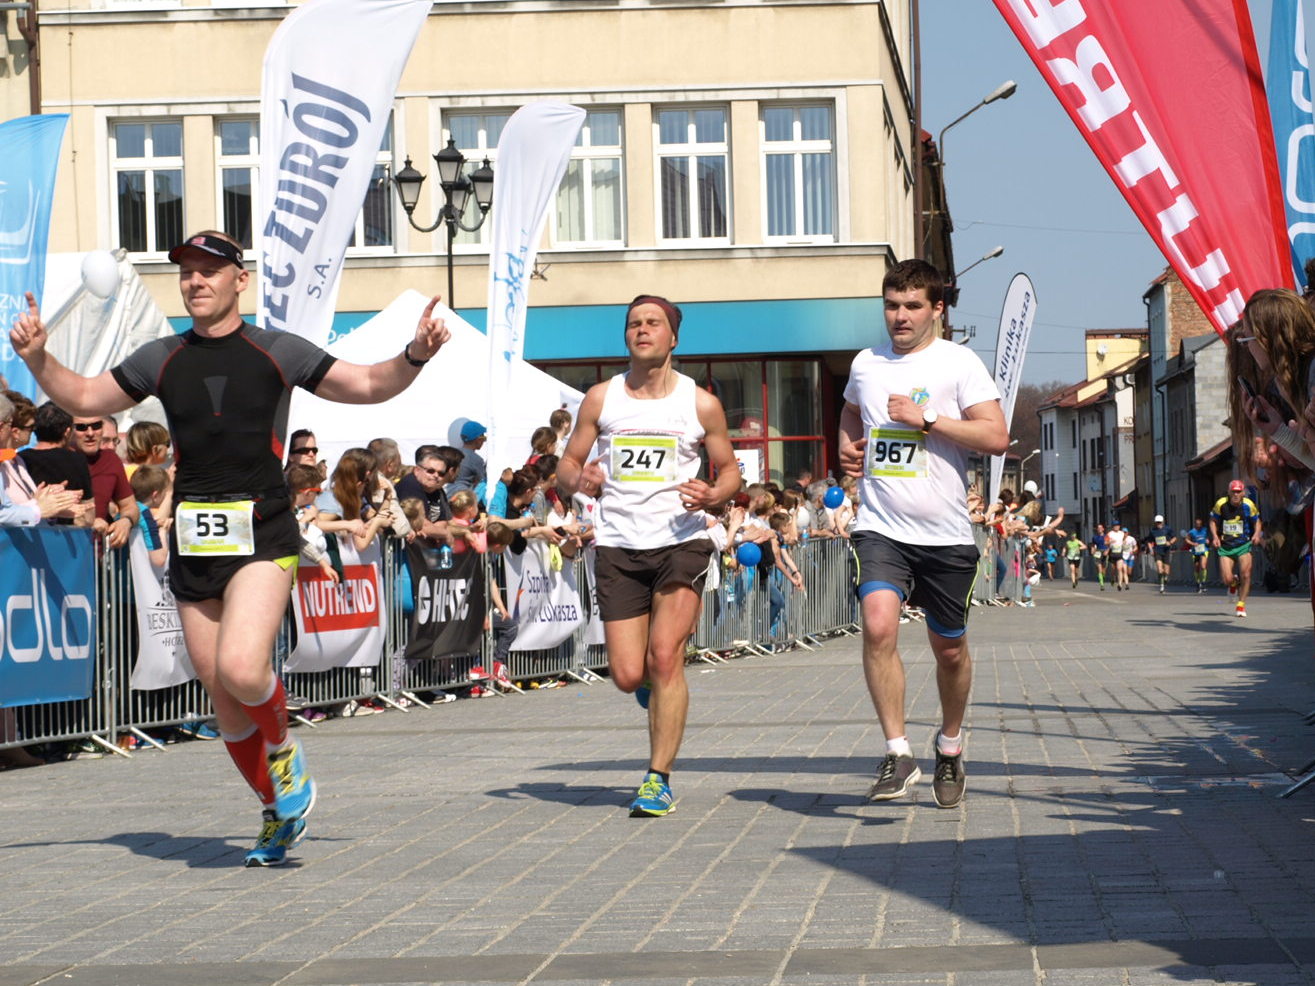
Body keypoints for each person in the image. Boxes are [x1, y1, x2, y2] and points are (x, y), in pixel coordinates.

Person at [8, 228, 451, 866]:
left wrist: (415, 354)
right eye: (186, 271)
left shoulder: (276, 350)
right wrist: (37, 357)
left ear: (239, 280)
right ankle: (276, 810)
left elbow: (366, 384)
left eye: (209, 270)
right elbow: (82, 396)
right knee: (221, 692)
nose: (195, 281)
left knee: (244, 668)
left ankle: (286, 755)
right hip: (195, 539)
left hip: (263, 530)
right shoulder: (163, 356)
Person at [558, 294, 741, 817]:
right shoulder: (602, 398)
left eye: (653, 323)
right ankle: (652, 690)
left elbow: (730, 471)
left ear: (672, 337)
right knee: (626, 674)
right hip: (619, 544)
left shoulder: (699, 403)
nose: (642, 330)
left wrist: (714, 493)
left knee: (665, 656)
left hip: (681, 540)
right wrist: (580, 478)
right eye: (634, 323)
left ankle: (657, 779)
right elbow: (567, 466)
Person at [837, 259, 1008, 809]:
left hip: (945, 534)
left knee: (949, 651)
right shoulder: (866, 364)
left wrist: (928, 421)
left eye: (913, 306)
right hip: (880, 527)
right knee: (877, 625)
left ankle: (950, 745)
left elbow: (996, 436)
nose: (900, 316)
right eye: (892, 305)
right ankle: (897, 751)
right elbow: (851, 412)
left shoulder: (959, 362)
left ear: (937, 309)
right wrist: (845, 445)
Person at [71, 414, 138, 549]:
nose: (90, 433)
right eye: (81, 427)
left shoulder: (111, 460)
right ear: (69, 431)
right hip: (61, 552)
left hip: (98, 555)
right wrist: (88, 522)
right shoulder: (56, 459)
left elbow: (130, 506)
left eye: (96, 426)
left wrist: (126, 521)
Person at [1210, 479, 1262, 617]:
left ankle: (1241, 605)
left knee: (1246, 574)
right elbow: (1213, 521)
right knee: (1227, 579)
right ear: (1228, 492)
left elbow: (1257, 521)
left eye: (1238, 492)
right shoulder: (1221, 504)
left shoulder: (1248, 505)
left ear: (1243, 493)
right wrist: (1215, 537)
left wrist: (1256, 534)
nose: (1236, 495)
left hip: (1243, 544)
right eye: (1233, 492)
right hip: (1226, 546)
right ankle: (1233, 584)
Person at [448, 420, 488, 499]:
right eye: (483, 437)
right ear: (477, 440)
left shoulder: (453, 453)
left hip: (448, 493)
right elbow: (483, 482)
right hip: (463, 496)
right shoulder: (476, 459)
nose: (484, 441)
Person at [1145, 514, 1176, 594]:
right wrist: (1151, 549)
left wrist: (1170, 542)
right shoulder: (1153, 531)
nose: (1158, 524)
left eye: (1159, 522)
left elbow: (1174, 537)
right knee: (1159, 568)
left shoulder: (1167, 529)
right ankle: (1162, 586)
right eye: (1157, 522)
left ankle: (1166, 577)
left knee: (1166, 570)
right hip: (1157, 551)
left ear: (1162, 522)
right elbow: (1149, 541)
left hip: (1166, 550)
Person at [1185, 517, 1211, 593]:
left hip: (1204, 550)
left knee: (1203, 566)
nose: (1198, 525)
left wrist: (1208, 540)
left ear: (1201, 524)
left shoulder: (1205, 530)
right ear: (1195, 524)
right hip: (1195, 551)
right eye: (1197, 524)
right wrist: (1193, 543)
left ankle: (1203, 582)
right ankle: (1197, 582)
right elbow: (1186, 539)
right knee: (1197, 567)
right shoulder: (1192, 532)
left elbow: (1209, 537)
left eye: (1200, 524)